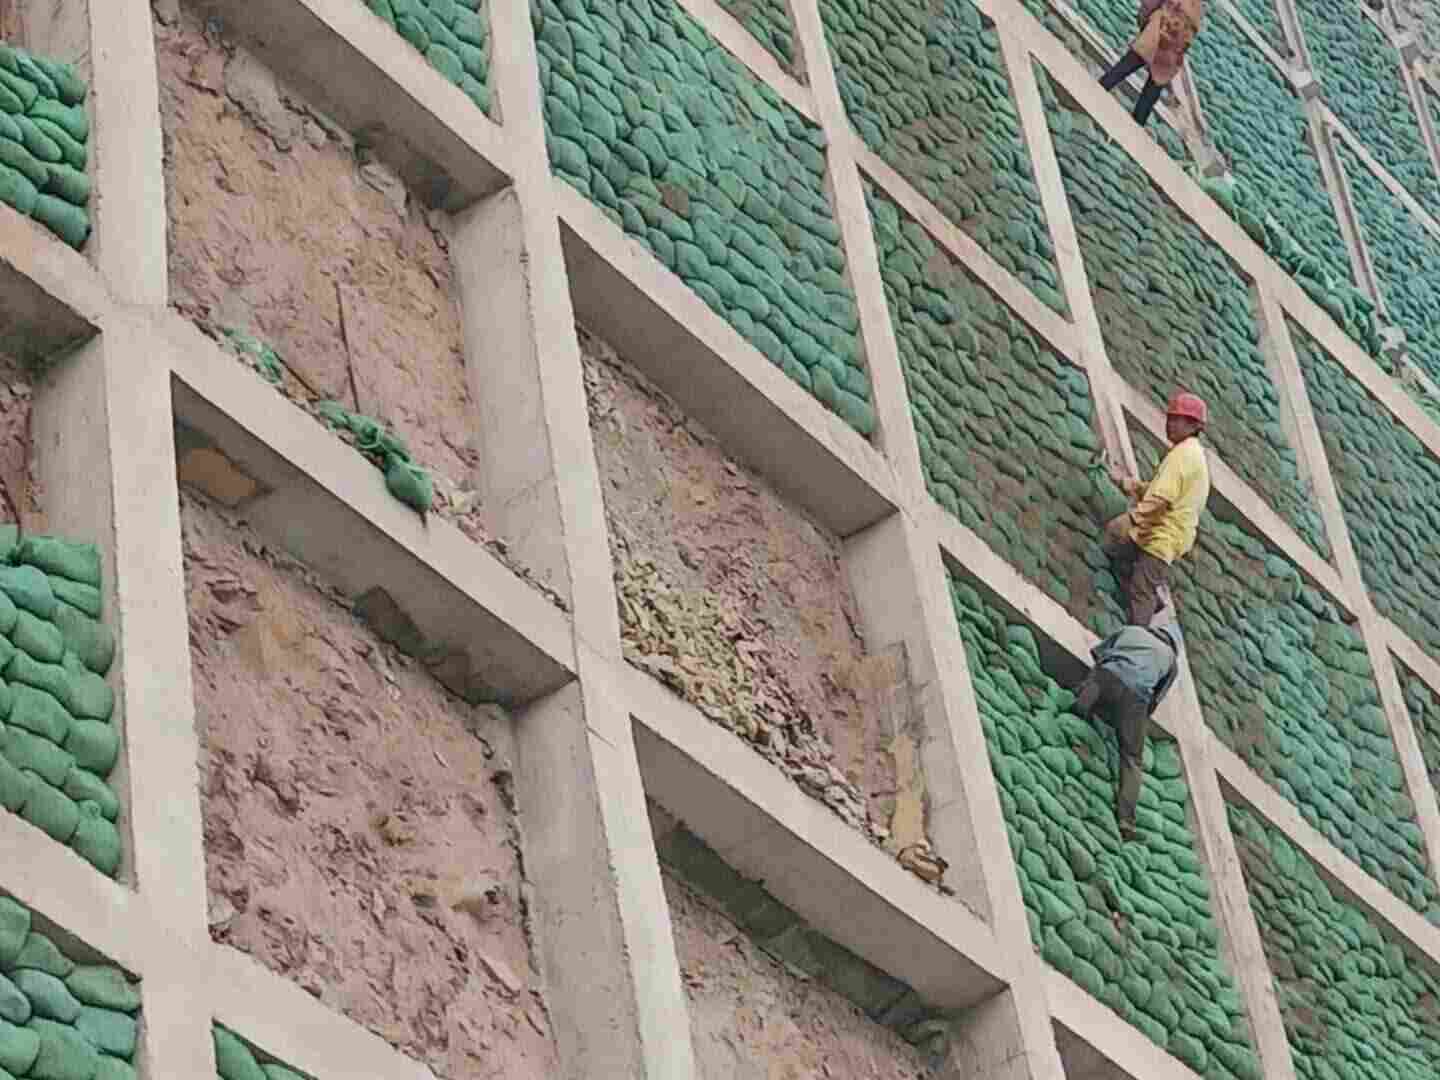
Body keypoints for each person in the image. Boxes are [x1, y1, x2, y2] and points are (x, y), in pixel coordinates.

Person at [1073, 589, 1183, 840]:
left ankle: (1078, 712)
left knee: (1095, 681)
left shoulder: (1131, 631)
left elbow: (1098, 655)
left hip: (1107, 678)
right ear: (1174, 646)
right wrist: (1131, 723)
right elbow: (1154, 701)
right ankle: (1126, 821)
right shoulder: (1170, 661)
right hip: (1135, 698)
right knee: (1132, 758)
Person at [1104, 391, 1211, 625]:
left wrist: (1132, 519)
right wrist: (1128, 484)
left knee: (1141, 587)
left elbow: (1162, 499)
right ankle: (1153, 602)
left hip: (1163, 537)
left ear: (1193, 425)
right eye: (1169, 418)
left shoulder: (1184, 456)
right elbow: (1159, 490)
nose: (1170, 424)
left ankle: (1135, 642)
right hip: (1161, 533)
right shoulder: (1188, 454)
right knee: (1118, 553)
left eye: (1177, 420)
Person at [1097, 0, 1204, 128]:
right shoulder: (1198, 7)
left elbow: (1150, 5)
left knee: (1128, 67)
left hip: (1161, 31)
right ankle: (1136, 125)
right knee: (1152, 86)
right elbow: (1191, 35)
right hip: (1172, 40)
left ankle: (1098, 90)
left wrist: (1145, 22)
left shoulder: (1196, 7)